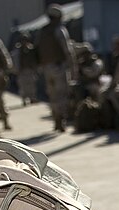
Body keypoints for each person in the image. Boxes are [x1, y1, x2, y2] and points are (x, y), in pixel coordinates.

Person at [37, 3, 76, 132]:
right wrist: (73, 66)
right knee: (61, 94)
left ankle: (56, 119)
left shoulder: (43, 31)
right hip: (59, 67)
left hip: (46, 68)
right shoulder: (59, 29)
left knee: (52, 95)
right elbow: (67, 50)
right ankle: (61, 119)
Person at [15, 31, 39, 106]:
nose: (24, 42)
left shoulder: (31, 49)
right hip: (22, 70)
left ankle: (32, 98)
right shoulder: (18, 50)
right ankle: (24, 99)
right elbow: (16, 60)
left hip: (30, 70)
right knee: (23, 86)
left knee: (31, 85)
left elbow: (35, 59)